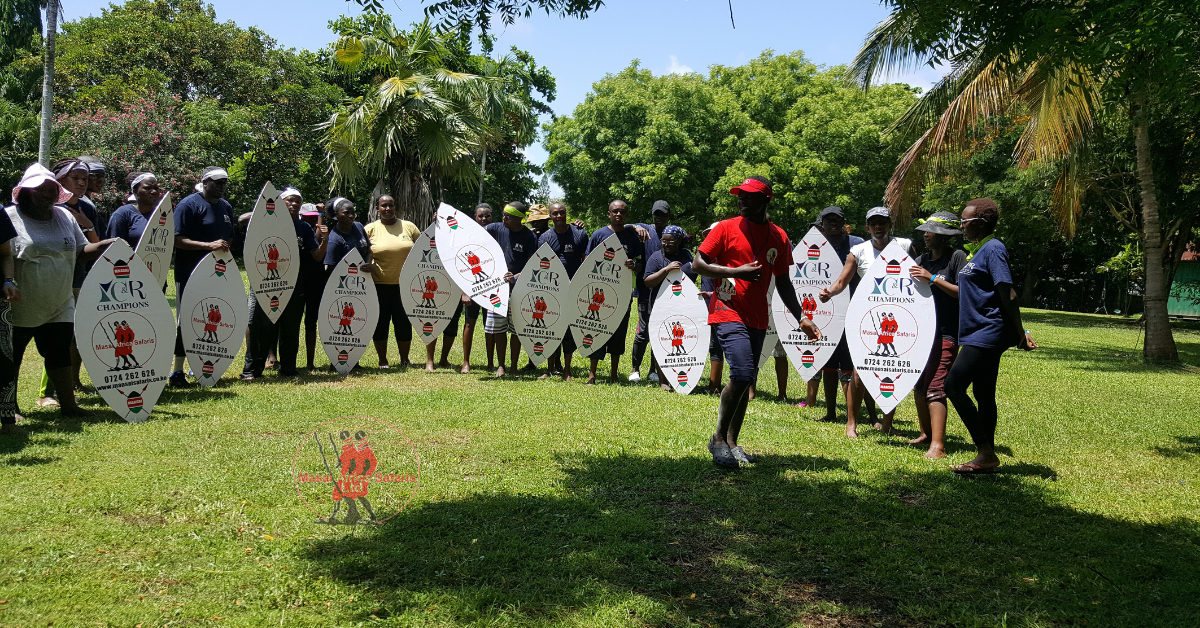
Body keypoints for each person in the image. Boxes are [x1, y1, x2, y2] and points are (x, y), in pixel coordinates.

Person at [694, 176, 821, 468]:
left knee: (747, 378)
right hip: (727, 310)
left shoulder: (779, 236)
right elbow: (698, 263)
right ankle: (717, 439)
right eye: (740, 195)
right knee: (741, 372)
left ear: (766, 200)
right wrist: (735, 272)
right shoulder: (726, 228)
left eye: (749, 196)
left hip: (758, 317)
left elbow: (784, 282)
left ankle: (732, 442)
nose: (742, 200)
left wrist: (801, 317)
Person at [5, 163, 119, 420]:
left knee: (58, 354)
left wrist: (104, 245)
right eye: (39, 190)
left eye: (51, 189)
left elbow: (80, 252)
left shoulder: (65, 217)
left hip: (59, 302)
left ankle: (68, 405)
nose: (47, 194)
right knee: (12, 359)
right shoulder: (10, 218)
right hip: (21, 305)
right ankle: (8, 408)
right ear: (24, 192)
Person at [946, 198, 1037, 474]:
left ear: (980, 223)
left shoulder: (994, 249)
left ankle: (985, 451)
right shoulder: (979, 251)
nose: (961, 225)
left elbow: (1007, 293)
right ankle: (987, 456)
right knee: (983, 393)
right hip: (977, 331)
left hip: (987, 332)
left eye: (965, 221)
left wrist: (1021, 333)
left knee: (953, 386)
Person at [820, 206, 913, 437]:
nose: (878, 227)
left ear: (890, 225)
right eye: (874, 223)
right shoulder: (858, 250)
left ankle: (887, 423)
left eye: (883, 222)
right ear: (867, 227)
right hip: (866, 318)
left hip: (898, 317)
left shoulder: (904, 246)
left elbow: (916, 276)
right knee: (860, 372)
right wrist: (829, 293)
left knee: (891, 369)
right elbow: (842, 281)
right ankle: (851, 423)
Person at [240, 188, 325, 381]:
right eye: (289, 201)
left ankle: (288, 368)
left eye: (298, 202)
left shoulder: (303, 227)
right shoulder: (265, 221)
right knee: (261, 326)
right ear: (280, 202)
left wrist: (325, 239)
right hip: (266, 282)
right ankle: (251, 370)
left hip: (294, 284)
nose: (294, 204)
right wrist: (267, 209)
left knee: (290, 327)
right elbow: (242, 220)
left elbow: (317, 255)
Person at [905, 211, 968, 459]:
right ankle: (926, 435)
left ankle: (938, 446)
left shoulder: (956, 258)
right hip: (922, 334)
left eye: (931, 232)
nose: (926, 236)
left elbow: (962, 291)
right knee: (919, 386)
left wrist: (932, 278)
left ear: (943, 236)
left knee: (936, 387)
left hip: (946, 333)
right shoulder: (921, 259)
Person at [169, 167, 236, 387]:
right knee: (186, 320)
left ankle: (199, 365)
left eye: (224, 182)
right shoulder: (189, 205)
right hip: (189, 272)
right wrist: (208, 246)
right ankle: (177, 371)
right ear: (205, 182)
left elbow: (230, 237)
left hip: (216, 274)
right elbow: (176, 239)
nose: (221, 186)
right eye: (217, 182)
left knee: (210, 319)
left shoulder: (226, 207)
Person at [584, 200, 643, 385]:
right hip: (598, 292)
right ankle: (592, 374)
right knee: (596, 328)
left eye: (622, 212)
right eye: (615, 211)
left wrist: (634, 265)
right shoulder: (599, 234)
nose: (618, 214)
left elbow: (641, 264)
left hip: (622, 293)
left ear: (626, 215)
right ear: (608, 213)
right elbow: (587, 260)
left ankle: (614, 374)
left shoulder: (632, 237)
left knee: (619, 331)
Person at [364, 195, 422, 370]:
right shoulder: (370, 229)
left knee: (403, 323)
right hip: (378, 286)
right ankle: (383, 360)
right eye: (384, 206)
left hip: (405, 286)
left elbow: (423, 250)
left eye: (390, 205)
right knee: (380, 323)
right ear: (377, 209)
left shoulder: (409, 227)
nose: (387, 209)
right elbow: (363, 253)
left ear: (396, 207)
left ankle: (405, 359)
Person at [484, 202, 538, 377]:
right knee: (499, 330)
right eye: (503, 215)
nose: (504, 218)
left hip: (519, 291)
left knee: (516, 330)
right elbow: (475, 238)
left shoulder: (529, 237)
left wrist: (516, 277)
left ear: (519, 218)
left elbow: (532, 266)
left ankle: (514, 366)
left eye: (508, 216)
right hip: (497, 290)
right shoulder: (495, 229)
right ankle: (501, 365)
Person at [538, 202, 589, 380]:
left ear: (566, 214)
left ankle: (567, 369)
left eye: (562, 213)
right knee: (550, 329)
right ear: (550, 217)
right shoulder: (545, 237)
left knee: (568, 331)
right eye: (555, 214)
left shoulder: (580, 234)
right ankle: (550, 368)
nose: (559, 216)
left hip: (573, 290)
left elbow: (587, 260)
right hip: (551, 290)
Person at [641, 225, 695, 391]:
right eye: (663, 241)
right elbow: (648, 281)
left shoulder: (686, 255)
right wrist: (666, 270)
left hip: (682, 306)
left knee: (680, 343)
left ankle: (679, 376)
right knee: (662, 342)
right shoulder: (657, 257)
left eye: (670, 241)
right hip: (660, 306)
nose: (666, 244)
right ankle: (663, 380)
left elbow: (693, 276)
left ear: (679, 241)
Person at [629, 200, 671, 383]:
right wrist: (636, 227)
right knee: (643, 330)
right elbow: (625, 225)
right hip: (645, 289)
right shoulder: (646, 228)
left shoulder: (673, 232)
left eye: (662, 214)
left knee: (660, 330)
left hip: (667, 291)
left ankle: (653, 370)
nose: (658, 217)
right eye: (656, 214)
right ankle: (635, 369)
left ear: (668, 216)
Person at [453, 203, 493, 374]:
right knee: (469, 323)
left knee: (490, 326)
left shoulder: (496, 234)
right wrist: (464, 291)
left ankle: (491, 363)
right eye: (480, 216)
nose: (484, 219)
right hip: (472, 287)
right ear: (475, 217)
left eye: (487, 216)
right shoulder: (467, 237)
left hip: (491, 286)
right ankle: (466, 362)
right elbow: (462, 266)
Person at [107, 172, 162, 248]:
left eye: (156, 188)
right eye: (147, 188)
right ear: (135, 192)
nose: (154, 192)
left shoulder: (161, 214)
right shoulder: (122, 214)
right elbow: (114, 247)